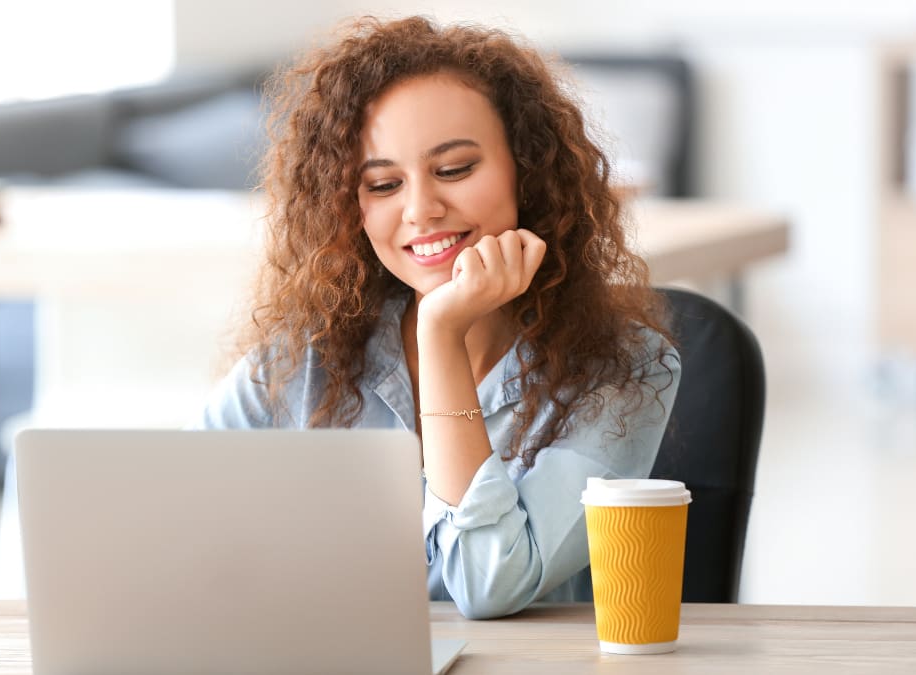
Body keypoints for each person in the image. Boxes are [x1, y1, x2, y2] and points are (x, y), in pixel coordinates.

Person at [196, 15, 681, 620]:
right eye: (382, 184)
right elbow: (179, 530)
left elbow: (490, 585)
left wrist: (442, 335)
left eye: (454, 170)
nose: (421, 209)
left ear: (526, 171)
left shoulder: (624, 366)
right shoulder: (307, 356)